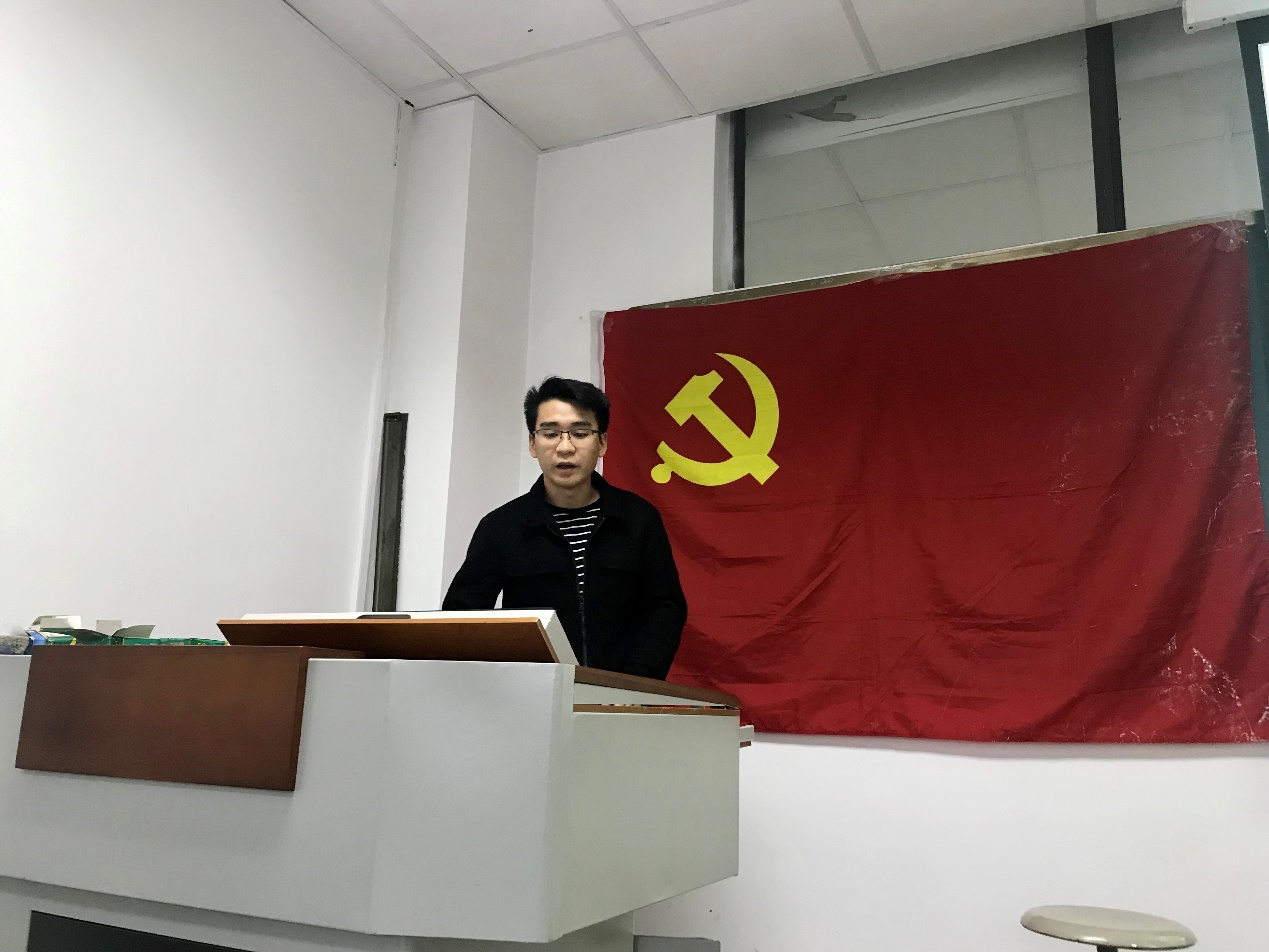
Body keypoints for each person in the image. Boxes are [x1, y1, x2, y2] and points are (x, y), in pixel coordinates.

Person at [442, 377, 686, 679]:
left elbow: (665, 608)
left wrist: (637, 681)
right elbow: (462, 618)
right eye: (550, 433)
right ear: (533, 444)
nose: (565, 447)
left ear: (602, 443)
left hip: (623, 693)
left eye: (580, 433)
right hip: (533, 694)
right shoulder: (501, 527)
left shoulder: (637, 519)